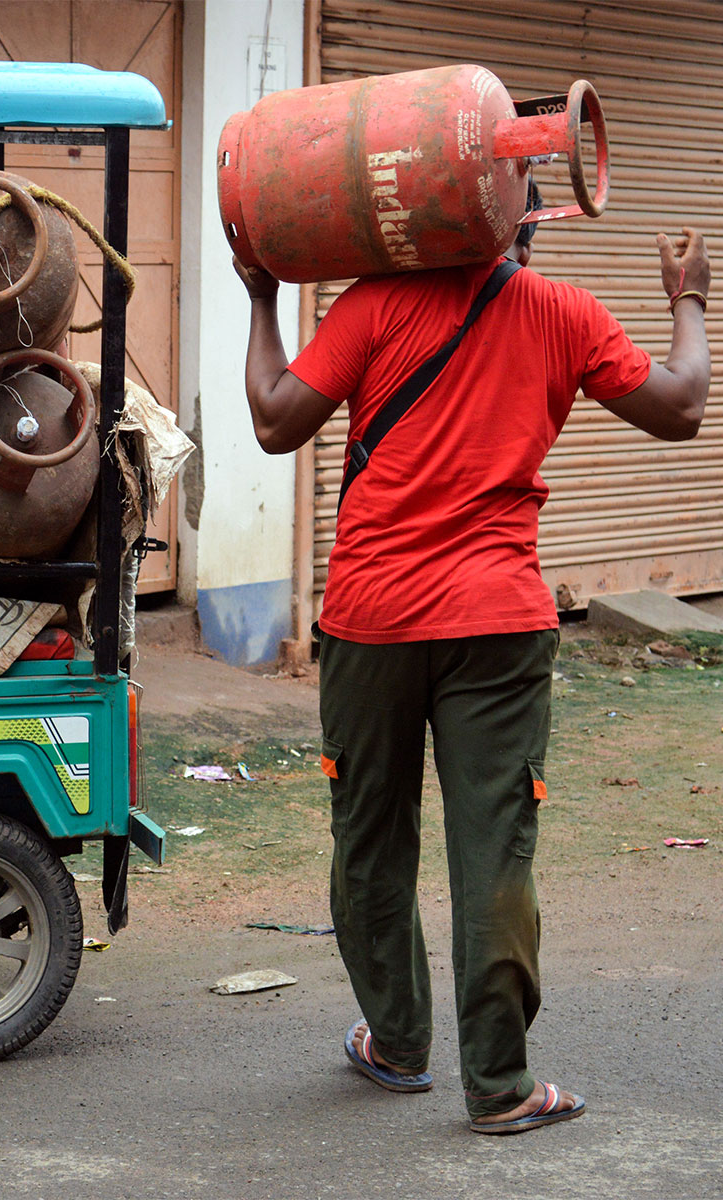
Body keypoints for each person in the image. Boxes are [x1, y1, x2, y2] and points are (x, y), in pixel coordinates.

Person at [233, 188, 711, 1134]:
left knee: (370, 836)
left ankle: (398, 1042)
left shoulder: (370, 305)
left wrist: (260, 296)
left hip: (370, 622)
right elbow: (684, 407)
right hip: (498, 623)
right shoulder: (566, 314)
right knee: (494, 846)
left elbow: (275, 419)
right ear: (519, 226)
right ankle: (499, 1085)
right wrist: (688, 297)